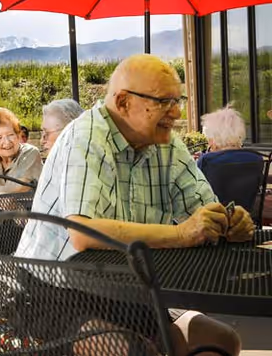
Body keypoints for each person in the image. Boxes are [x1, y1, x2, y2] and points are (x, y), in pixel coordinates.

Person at [16, 55, 253, 356]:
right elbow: (83, 232)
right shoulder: (86, 137)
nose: (177, 112)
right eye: (164, 101)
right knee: (131, 351)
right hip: (53, 291)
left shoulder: (165, 144)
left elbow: (204, 211)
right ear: (124, 101)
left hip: (128, 289)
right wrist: (183, 234)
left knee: (220, 341)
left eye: (177, 100)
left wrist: (228, 221)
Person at [0, 108, 43, 194]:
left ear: (18, 136)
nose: (7, 142)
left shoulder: (30, 153)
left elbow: (21, 187)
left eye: (10, 135)